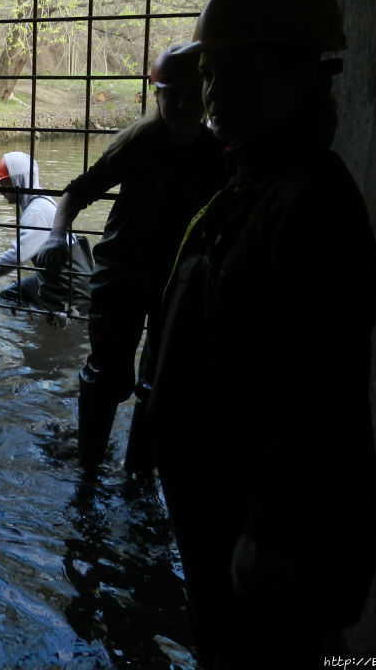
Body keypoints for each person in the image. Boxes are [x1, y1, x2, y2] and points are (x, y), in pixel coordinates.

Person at [146, 0, 376, 666]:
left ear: (299, 77)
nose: (214, 93)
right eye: (212, 74)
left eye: (234, 74)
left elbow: (322, 382)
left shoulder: (313, 205)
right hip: (220, 500)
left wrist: (272, 531)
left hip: (260, 527)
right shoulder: (254, 183)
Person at [34, 44, 226, 472]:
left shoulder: (219, 155)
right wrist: (57, 234)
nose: (180, 105)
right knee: (105, 375)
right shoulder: (139, 144)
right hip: (122, 268)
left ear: (207, 96)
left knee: (163, 380)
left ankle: (138, 471)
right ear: (155, 95)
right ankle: (89, 465)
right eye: (171, 94)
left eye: (191, 95)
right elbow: (78, 191)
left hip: (179, 277)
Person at [0, 151, 92, 312]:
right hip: (51, 274)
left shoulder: (35, 212)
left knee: (60, 321)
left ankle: (35, 326)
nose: (1, 191)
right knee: (11, 295)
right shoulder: (39, 200)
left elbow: (17, 256)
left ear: (18, 182)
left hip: (69, 284)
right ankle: (34, 320)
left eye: (4, 184)